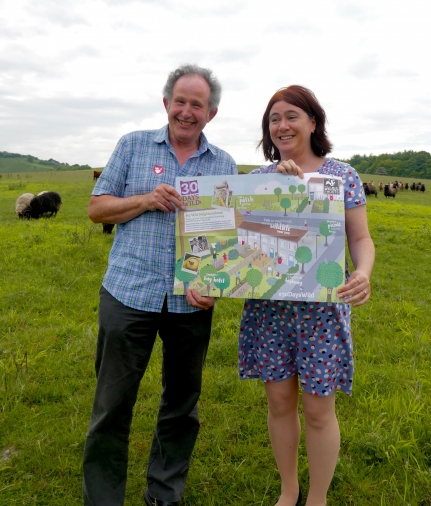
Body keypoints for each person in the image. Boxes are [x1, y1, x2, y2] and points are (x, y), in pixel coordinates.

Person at [82, 64, 237, 506]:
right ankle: (103, 499)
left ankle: (164, 495)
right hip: (129, 294)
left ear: (212, 113)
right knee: (112, 406)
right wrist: (145, 199)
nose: (187, 112)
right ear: (166, 103)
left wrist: (213, 284)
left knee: (181, 408)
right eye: (181, 101)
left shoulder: (223, 164)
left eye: (198, 105)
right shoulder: (132, 146)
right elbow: (97, 209)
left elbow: (226, 240)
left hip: (190, 305)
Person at [238, 85, 375, 506]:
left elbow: (361, 238)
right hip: (269, 311)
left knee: (318, 410)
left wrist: (364, 273)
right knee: (279, 404)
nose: (282, 125)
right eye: (274, 118)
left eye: (292, 115)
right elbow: (236, 245)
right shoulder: (257, 180)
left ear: (313, 122)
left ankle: (317, 498)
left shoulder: (341, 177)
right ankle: (289, 491)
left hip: (323, 314)